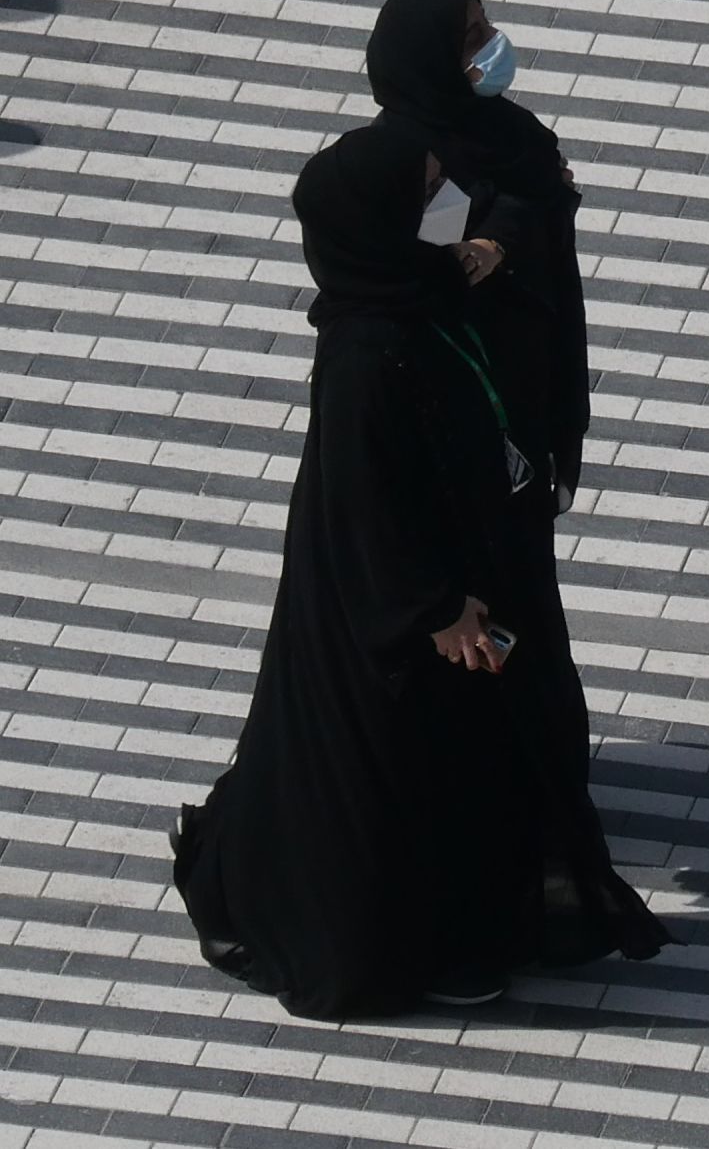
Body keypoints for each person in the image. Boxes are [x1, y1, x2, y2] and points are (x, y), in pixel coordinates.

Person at [169, 127, 671, 1020]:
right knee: (408, 771)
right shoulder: (366, 354)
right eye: (433, 191)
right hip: (406, 611)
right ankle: (411, 943)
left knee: (463, 763)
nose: (450, 205)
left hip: (458, 571)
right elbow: (365, 502)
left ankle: (465, 930)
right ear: (384, 220)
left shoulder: (413, 294)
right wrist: (437, 607)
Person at [365, 0, 588, 514]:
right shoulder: (400, 166)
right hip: (461, 401)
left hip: (529, 377)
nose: (493, 41)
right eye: (473, 37)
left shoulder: (512, 133)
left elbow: (535, 207)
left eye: (486, 25)